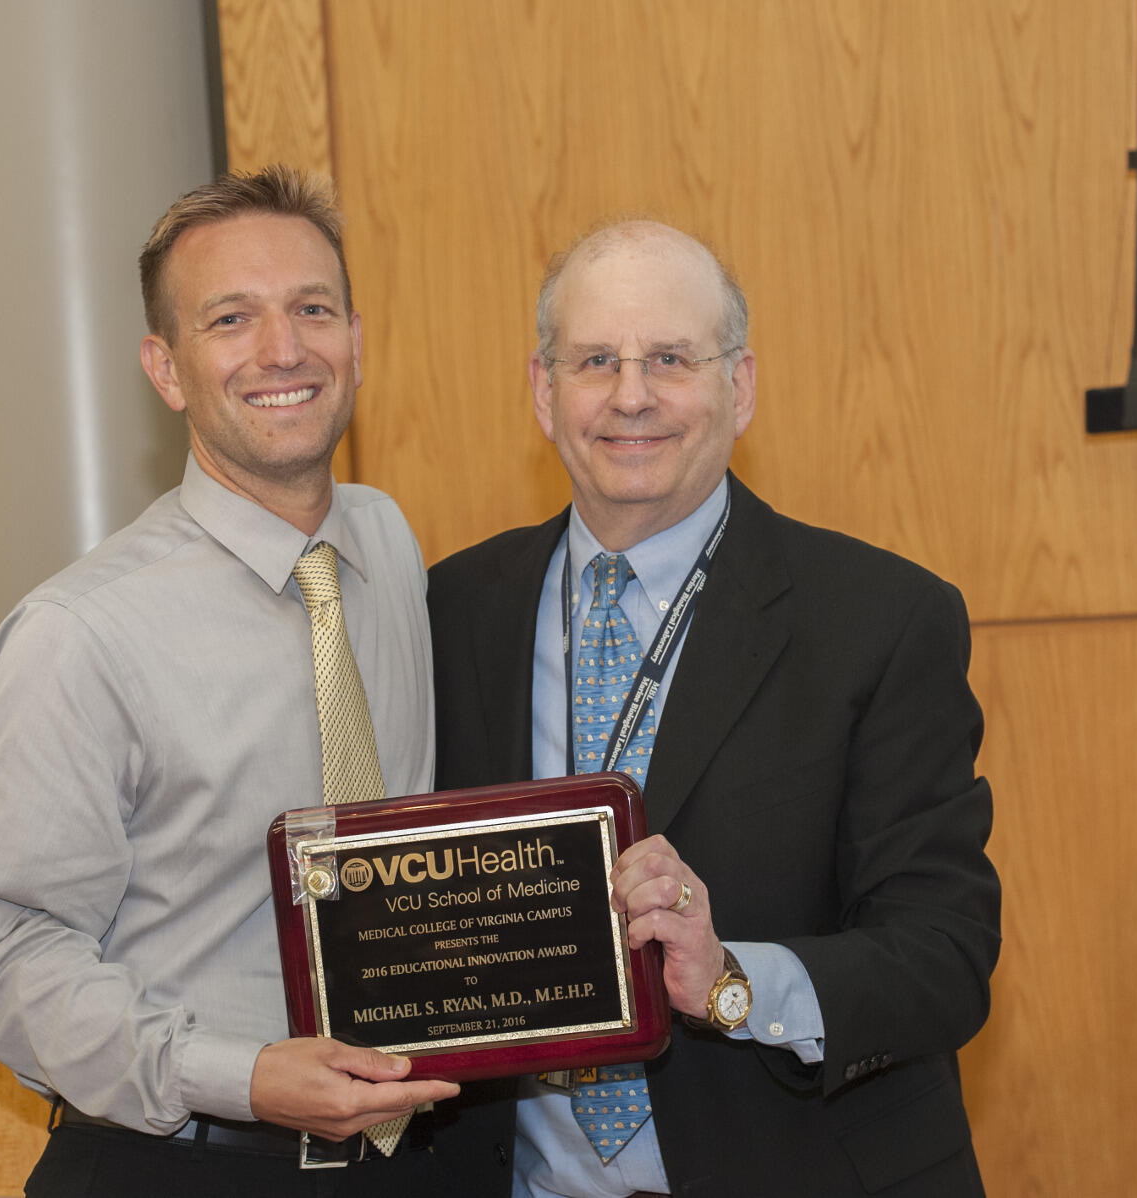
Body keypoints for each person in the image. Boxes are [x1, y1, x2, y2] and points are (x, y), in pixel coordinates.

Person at [0, 166, 513, 1196]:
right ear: (166, 369)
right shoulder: (79, 635)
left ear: (357, 341)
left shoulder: (386, 544)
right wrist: (239, 1076)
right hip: (181, 1163)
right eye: (231, 319)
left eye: (312, 309)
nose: (283, 349)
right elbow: (2, 954)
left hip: (413, 1161)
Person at [427, 220, 1001, 1196]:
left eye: (670, 358)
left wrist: (731, 980)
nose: (631, 395)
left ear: (739, 387)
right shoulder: (452, 609)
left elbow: (943, 957)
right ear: (544, 391)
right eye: (596, 360)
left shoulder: (881, 619)